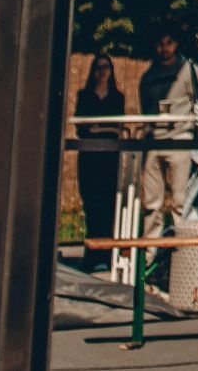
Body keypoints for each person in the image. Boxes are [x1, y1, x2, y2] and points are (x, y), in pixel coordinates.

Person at [135, 26, 198, 237]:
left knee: (180, 199)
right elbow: (145, 107)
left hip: (180, 138)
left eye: (169, 43)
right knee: (152, 201)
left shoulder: (188, 70)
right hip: (154, 141)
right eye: (160, 44)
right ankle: (151, 249)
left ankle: (182, 244)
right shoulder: (149, 76)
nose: (164, 49)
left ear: (176, 44)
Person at [72, 51, 131, 271]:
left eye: (106, 66)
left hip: (109, 155)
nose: (102, 71)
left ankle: (106, 252)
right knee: (91, 202)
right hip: (89, 154)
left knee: (108, 202)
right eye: (98, 67)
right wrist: (99, 128)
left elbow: (115, 127)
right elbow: (82, 126)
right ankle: (91, 252)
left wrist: (99, 128)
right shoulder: (84, 95)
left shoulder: (118, 97)